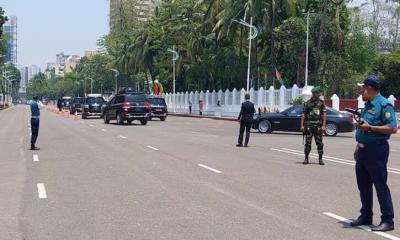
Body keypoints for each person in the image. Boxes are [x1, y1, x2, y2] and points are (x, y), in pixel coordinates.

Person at [350, 76, 397, 232]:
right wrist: (358, 146)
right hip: (364, 149)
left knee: (380, 185)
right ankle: (366, 215)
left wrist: (370, 128)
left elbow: (392, 128)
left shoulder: (384, 105)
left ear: (369, 88)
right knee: (363, 185)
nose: (361, 91)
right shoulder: (368, 104)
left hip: (377, 150)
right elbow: (363, 127)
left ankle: (387, 220)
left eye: (363, 88)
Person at [300, 86, 326, 165]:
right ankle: (306, 158)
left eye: (319, 93)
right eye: (318, 93)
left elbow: (324, 115)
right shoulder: (307, 103)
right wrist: (302, 125)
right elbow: (303, 115)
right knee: (308, 143)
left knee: (320, 143)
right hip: (309, 125)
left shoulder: (321, 103)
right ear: (314, 94)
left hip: (318, 125)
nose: (319, 94)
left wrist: (323, 125)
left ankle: (320, 159)